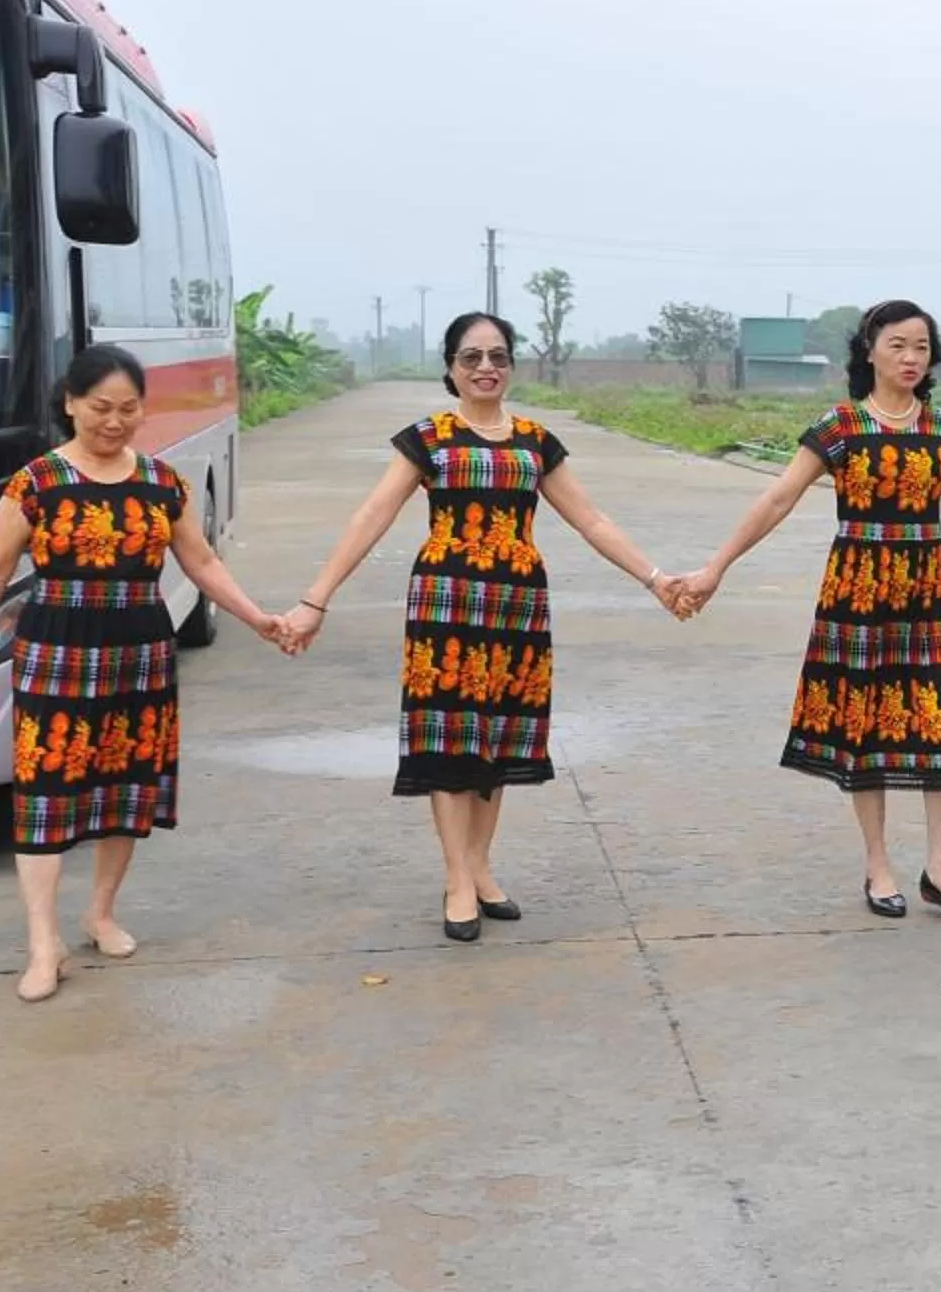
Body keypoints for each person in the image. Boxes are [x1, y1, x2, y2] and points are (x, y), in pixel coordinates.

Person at [671, 301, 941, 922]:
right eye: (898, 345)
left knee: (938, 721)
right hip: (858, 592)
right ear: (869, 350)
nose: (911, 358)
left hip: (925, 591)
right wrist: (717, 567)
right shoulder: (839, 427)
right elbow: (780, 497)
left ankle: (940, 869)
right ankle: (878, 866)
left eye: (921, 346)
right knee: (864, 729)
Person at [279, 312, 690, 943]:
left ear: (511, 366)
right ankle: (456, 879)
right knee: (450, 737)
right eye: (471, 358)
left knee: (498, 739)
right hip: (445, 608)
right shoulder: (428, 439)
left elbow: (592, 521)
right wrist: (316, 599)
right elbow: (373, 515)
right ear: (450, 368)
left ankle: (480, 865)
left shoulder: (535, 442)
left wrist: (656, 578)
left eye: (497, 356)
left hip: (518, 609)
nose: (485, 368)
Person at [0, 344, 285, 1002]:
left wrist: (256, 616)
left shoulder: (161, 483)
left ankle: (100, 912)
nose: (115, 421)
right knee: (45, 793)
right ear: (70, 402)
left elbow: (203, 563)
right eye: (100, 407)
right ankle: (45, 943)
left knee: (125, 792)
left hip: (140, 650)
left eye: (129, 409)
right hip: (56, 651)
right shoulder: (36, 483)